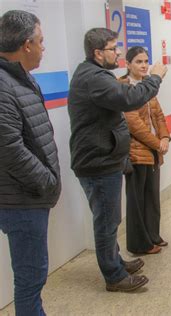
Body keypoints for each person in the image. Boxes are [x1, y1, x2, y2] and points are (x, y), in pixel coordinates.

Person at [68, 28, 167, 292]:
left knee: (110, 218)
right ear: (98, 53)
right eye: (114, 48)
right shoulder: (95, 78)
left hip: (104, 158)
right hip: (98, 162)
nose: (119, 52)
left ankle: (116, 261)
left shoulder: (97, 75)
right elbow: (130, 99)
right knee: (107, 221)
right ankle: (114, 276)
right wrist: (155, 77)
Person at [0, 10, 61, 315]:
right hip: (21, 200)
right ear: (26, 44)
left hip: (29, 197)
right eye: (40, 41)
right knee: (29, 279)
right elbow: (9, 148)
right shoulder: (3, 86)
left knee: (33, 277)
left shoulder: (20, 79)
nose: (43, 48)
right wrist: (46, 181)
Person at [119, 46, 171, 255]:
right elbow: (133, 123)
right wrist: (156, 143)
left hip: (152, 153)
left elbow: (158, 115)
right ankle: (139, 244)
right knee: (137, 201)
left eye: (145, 61)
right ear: (128, 64)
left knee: (152, 197)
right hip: (136, 153)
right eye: (138, 61)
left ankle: (153, 236)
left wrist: (165, 137)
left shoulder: (147, 86)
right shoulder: (123, 87)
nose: (143, 65)